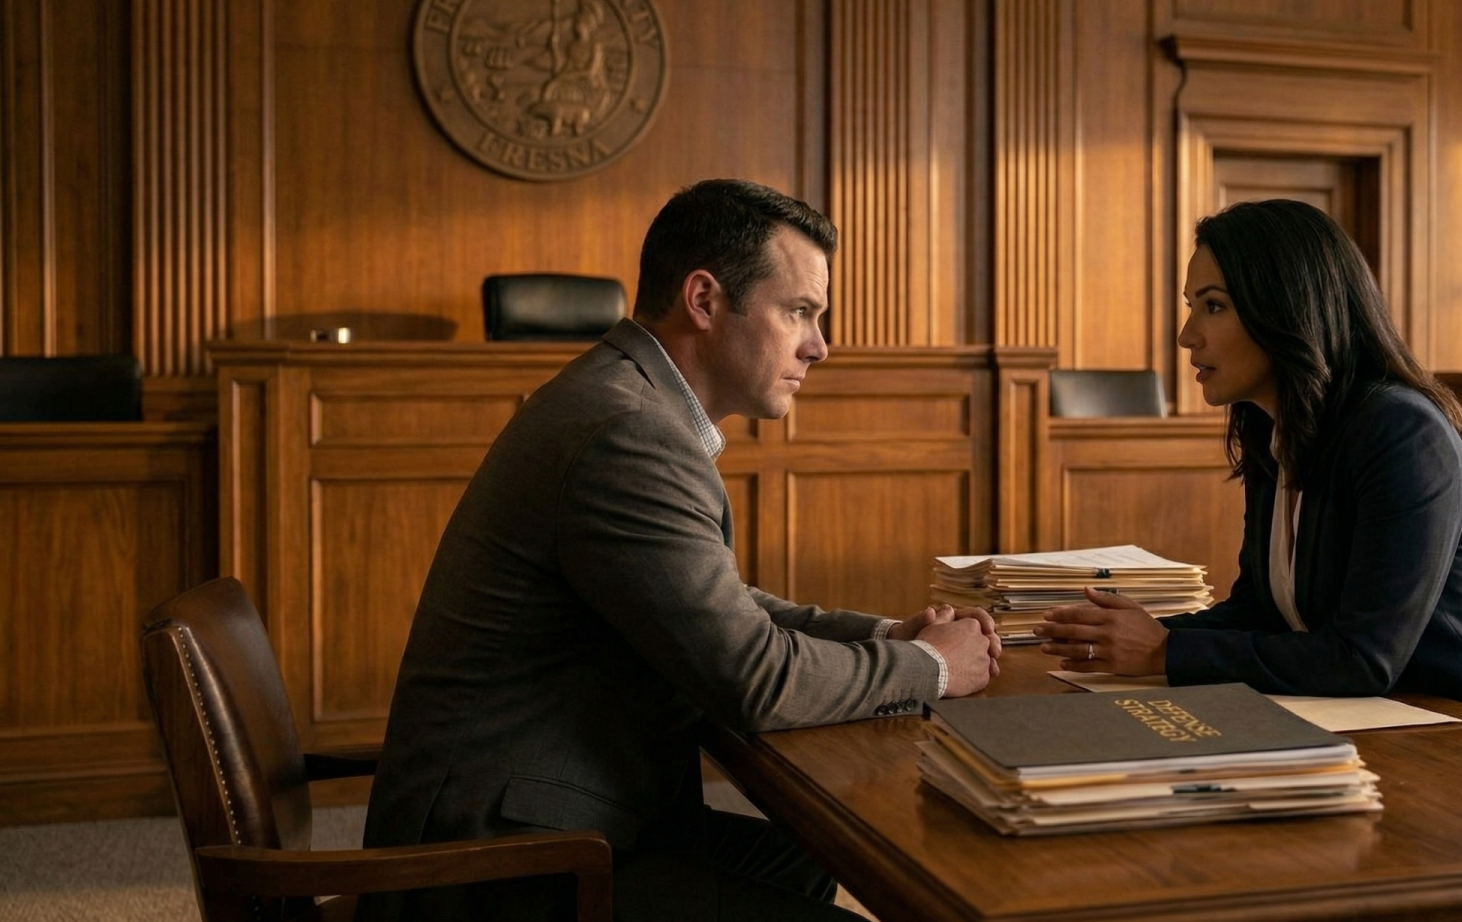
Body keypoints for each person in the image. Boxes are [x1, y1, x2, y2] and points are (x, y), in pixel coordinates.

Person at [359, 179, 1001, 922]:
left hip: (551, 810)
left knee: (802, 855)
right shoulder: (628, 432)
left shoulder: (626, 400)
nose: (819, 346)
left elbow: (723, 608)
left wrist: (885, 634)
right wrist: (933, 667)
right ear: (704, 301)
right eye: (800, 311)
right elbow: (752, 678)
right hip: (503, 858)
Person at [1033, 199, 1462, 724]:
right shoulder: (1272, 425)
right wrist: (1130, 634)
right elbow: (1261, 611)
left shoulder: (1403, 432)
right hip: (1381, 724)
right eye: (1192, 306)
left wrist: (1163, 652)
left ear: (1286, 307)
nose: (1187, 335)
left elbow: (1363, 659)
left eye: (1213, 306)